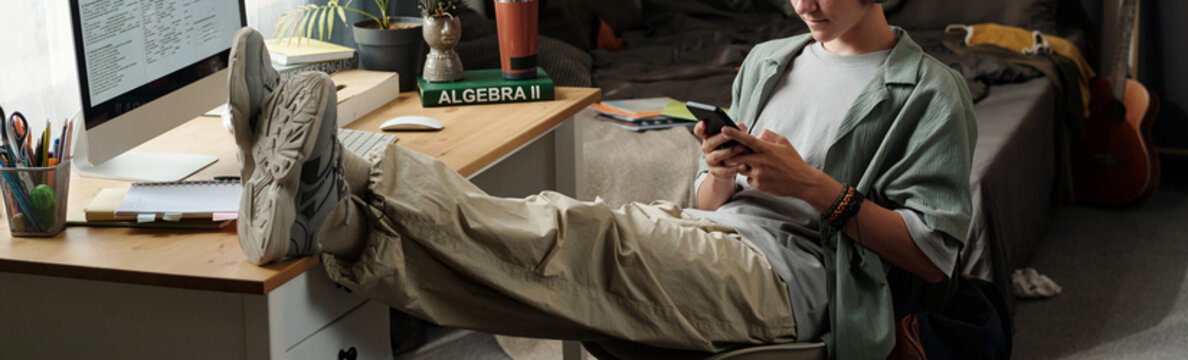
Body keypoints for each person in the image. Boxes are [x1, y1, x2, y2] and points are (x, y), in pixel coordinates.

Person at [227, 0, 975, 358]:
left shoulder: (929, 91)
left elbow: (934, 254)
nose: (805, 4)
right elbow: (711, 203)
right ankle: (334, 210)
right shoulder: (770, 60)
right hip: (713, 236)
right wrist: (723, 172)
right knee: (549, 234)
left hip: (799, 282)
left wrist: (810, 185)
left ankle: (348, 166)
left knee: (576, 239)